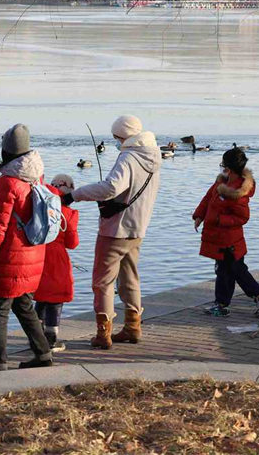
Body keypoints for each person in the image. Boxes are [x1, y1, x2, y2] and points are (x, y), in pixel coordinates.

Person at [62, 115, 161, 349]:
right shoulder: (153, 155)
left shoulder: (128, 157)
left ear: (123, 135)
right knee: (130, 277)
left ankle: (102, 334)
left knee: (103, 282)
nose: (116, 140)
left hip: (115, 229)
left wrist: (74, 195)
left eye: (116, 137)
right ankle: (132, 327)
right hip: (138, 228)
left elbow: (111, 187)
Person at [0, 123, 53, 371]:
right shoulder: (37, 175)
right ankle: (43, 354)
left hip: (11, 256)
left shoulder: (8, 182)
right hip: (33, 252)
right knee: (23, 305)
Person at [193, 148, 259, 317]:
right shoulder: (222, 182)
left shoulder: (238, 193)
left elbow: (243, 217)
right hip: (219, 238)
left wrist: (219, 220)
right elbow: (208, 198)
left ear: (228, 167)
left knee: (236, 270)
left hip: (229, 240)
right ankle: (222, 304)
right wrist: (199, 215)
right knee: (224, 271)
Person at [34, 174, 79, 352]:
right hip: (58, 260)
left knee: (41, 298)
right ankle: (51, 340)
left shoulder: (40, 207)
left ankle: (36, 337)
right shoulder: (68, 213)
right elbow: (72, 243)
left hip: (38, 255)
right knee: (55, 300)